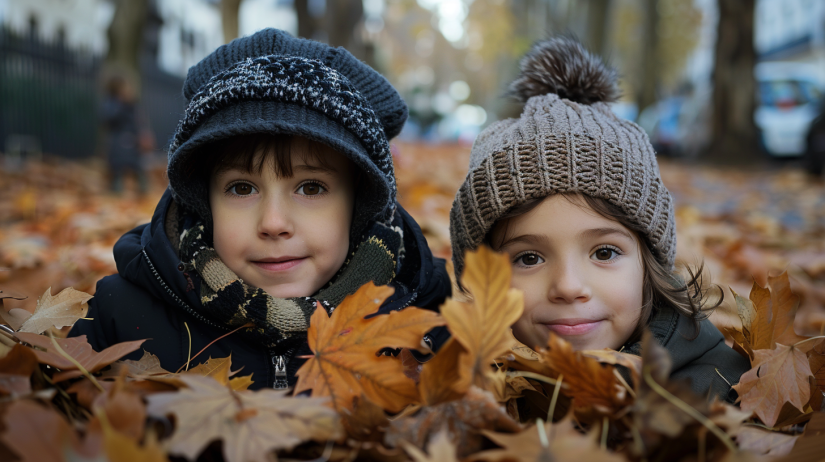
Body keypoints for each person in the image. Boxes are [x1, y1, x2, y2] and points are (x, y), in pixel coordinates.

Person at [70, 29, 452, 389]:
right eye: (241, 188)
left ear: (361, 205)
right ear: (202, 202)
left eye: (311, 187)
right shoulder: (119, 318)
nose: (273, 223)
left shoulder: (430, 323)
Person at [448, 37, 749, 402]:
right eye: (528, 258)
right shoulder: (460, 392)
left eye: (604, 253)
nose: (569, 286)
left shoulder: (720, 395)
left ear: (648, 265)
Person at [102, 75, 151, 194]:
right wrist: (119, 104)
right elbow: (107, 119)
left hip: (133, 141)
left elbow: (139, 122)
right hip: (117, 141)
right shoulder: (111, 104)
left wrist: (143, 135)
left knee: (138, 166)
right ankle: (116, 189)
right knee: (117, 167)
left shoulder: (133, 105)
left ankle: (143, 189)